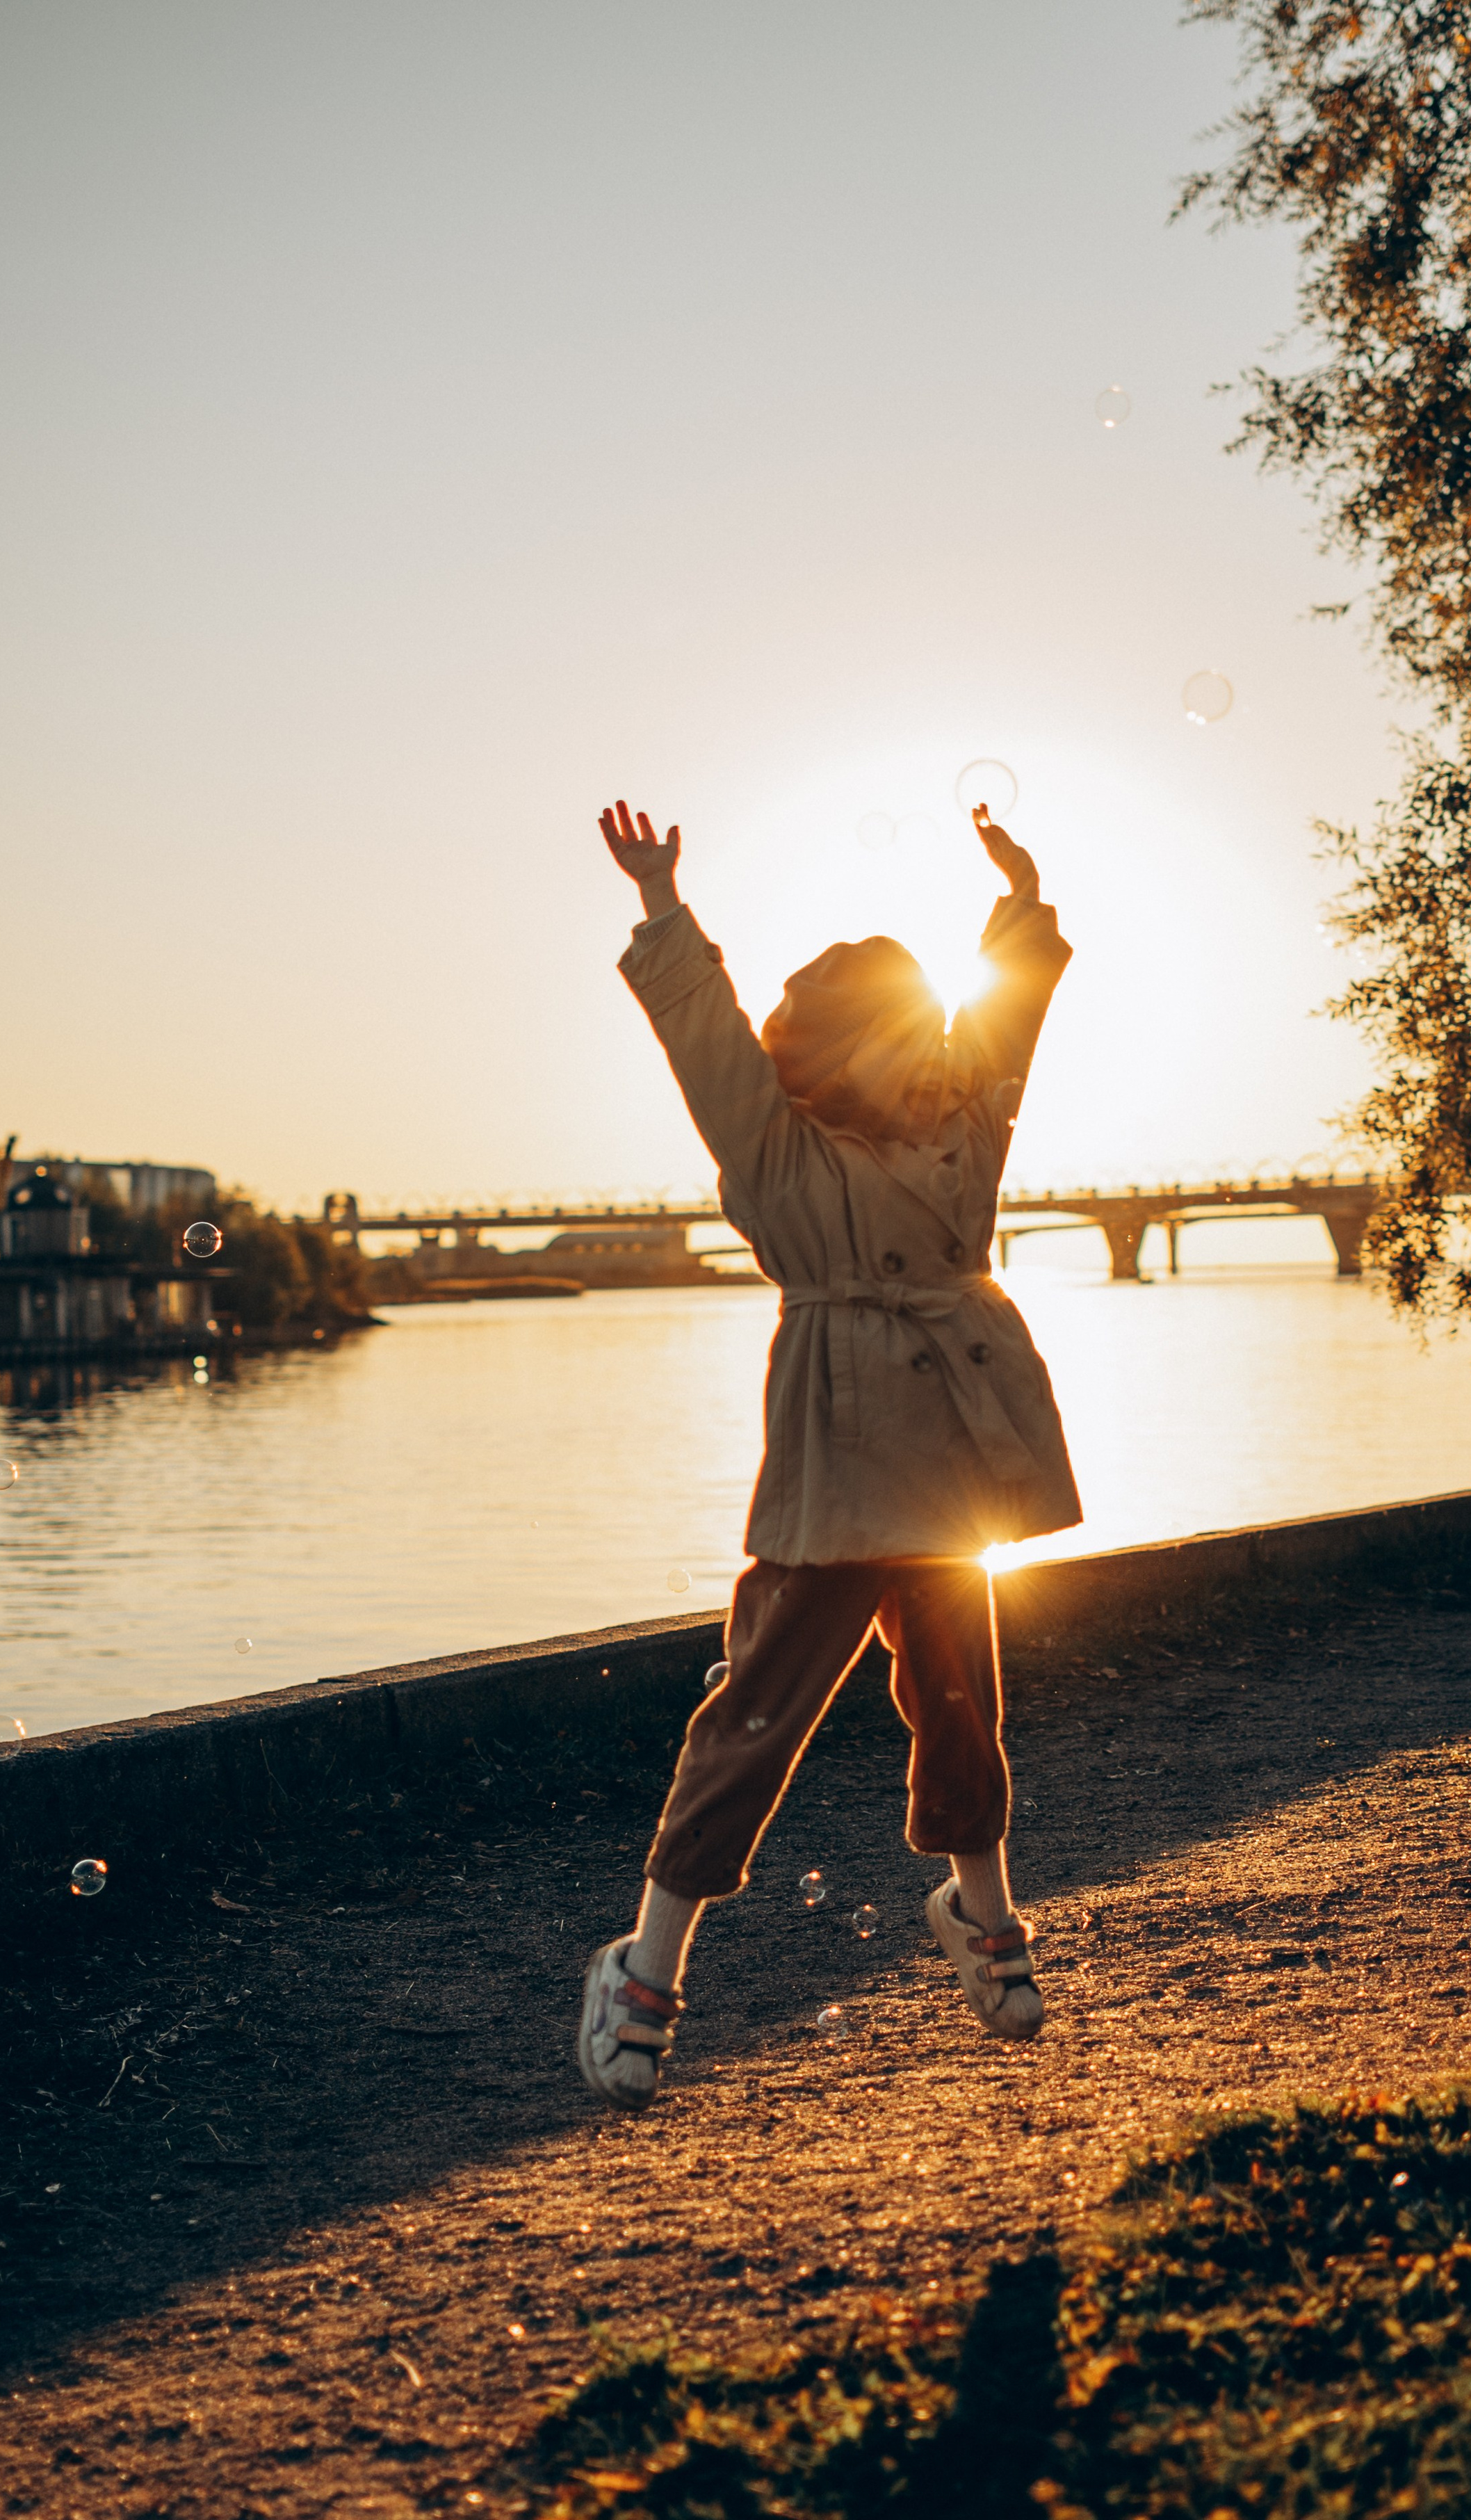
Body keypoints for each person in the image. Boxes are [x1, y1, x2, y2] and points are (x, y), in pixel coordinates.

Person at [578, 798, 1082, 2109]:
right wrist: (661, 903)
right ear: (850, 1050)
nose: (938, 1050)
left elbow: (1014, 1015)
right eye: (907, 1032)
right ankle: (646, 1965)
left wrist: (1021, 900)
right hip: (842, 1459)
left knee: (963, 1704)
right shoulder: (779, 1154)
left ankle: (982, 1914)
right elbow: (707, 1044)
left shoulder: (965, 1128)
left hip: (955, 1451)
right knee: (759, 1714)